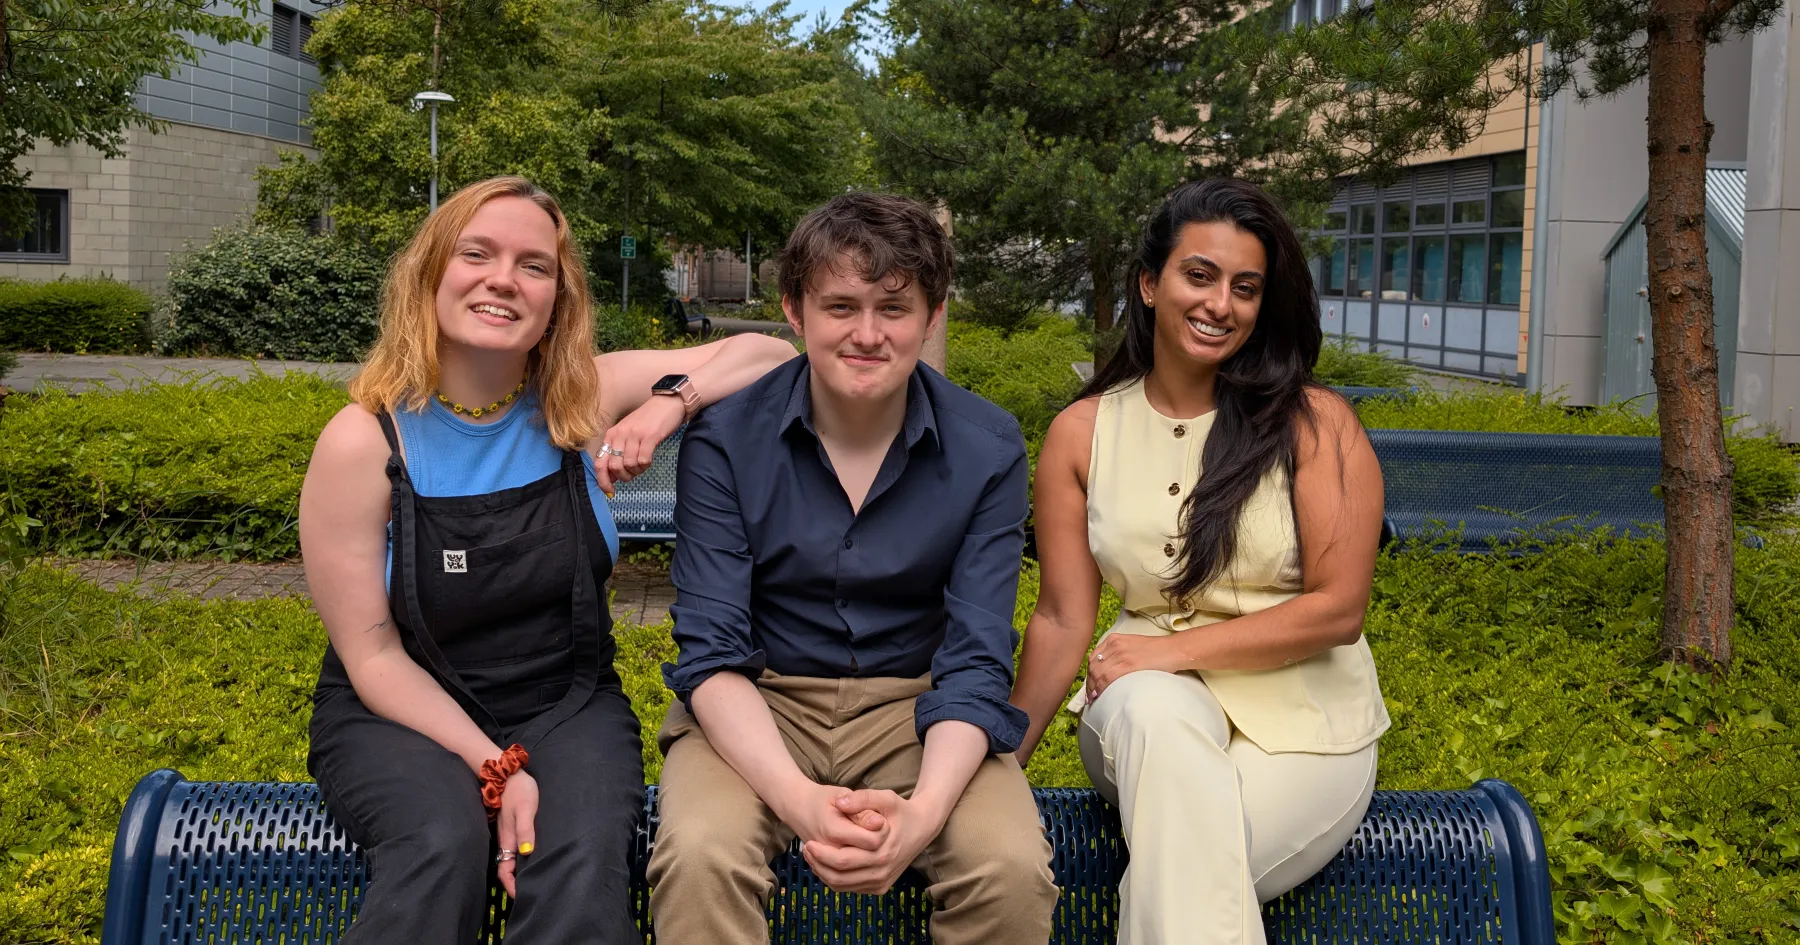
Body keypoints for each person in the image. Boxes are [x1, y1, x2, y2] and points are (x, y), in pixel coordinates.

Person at [299, 175, 795, 944]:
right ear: (430, 274)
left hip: (567, 704)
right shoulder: (362, 443)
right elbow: (370, 655)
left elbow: (770, 351)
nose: (505, 278)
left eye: (535, 265)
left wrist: (670, 403)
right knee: (441, 843)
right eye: (477, 254)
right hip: (398, 713)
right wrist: (497, 767)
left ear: (556, 298)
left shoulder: (581, 400)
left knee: (578, 857)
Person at [647, 192, 1059, 944]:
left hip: (918, 707)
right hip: (759, 699)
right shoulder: (725, 440)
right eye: (840, 306)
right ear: (795, 313)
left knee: (1008, 869)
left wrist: (924, 814)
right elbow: (710, 651)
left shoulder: (988, 448)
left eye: (893, 308)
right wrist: (799, 800)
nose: (867, 333)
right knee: (700, 855)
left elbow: (975, 660)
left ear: (931, 315)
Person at [1009, 179, 1390, 945]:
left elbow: (1339, 608)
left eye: (1245, 288)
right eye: (1200, 275)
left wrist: (1170, 650)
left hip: (1311, 730)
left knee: (1184, 872)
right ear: (1150, 284)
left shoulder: (1315, 424)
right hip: (1143, 711)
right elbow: (1059, 616)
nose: (1222, 304)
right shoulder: (1081, 434)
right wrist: (997, 764)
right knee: (1152, 707)